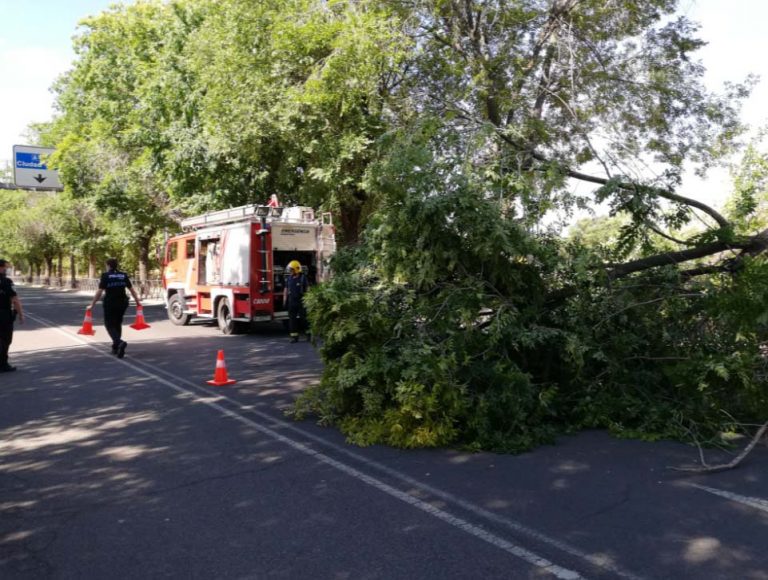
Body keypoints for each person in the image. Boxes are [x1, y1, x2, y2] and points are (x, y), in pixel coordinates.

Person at [87, 258, 141, 358]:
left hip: (110, 303)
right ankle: (115, 347)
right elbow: (131, 289)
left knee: (109, 324)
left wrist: (92, 304)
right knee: (117, 323)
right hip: (123, 303)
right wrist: (137, 301)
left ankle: (119, 342)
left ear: (108, 266)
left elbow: (99, 292)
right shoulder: (123, 275)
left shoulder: (105, 275)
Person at [0, 259, 24, 372]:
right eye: (5, 267)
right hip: (3, 315)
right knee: (5, 339)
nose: (6, 269)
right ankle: (3, 364)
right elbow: (15, 300)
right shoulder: (7, 282)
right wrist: (20, 314)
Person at [283, 259, 309, 343]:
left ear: (296, 269)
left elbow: (308, 289)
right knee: (292, 320)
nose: (290, 271)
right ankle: (294, 337)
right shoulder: (289, 278)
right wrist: (284, 300)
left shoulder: (303, 278)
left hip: (301, 302)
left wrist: (308, 300)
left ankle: (309, 334)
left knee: (304, 319)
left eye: (291, 270)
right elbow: (286, 289)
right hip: (292, 302)